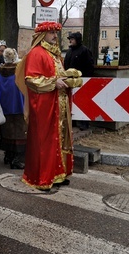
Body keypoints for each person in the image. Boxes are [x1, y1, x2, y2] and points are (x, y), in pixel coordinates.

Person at [16, 21, 83, 192]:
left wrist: (69, 78)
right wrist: (54, 83)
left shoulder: (56, 55)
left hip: (59, 105)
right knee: (44, 141)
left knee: (60, 138)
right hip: (44, 107)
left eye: (56, 32)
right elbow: (31, 80)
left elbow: (58, 75)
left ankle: (57, 174)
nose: (55, 36)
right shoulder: (36, 53)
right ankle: (41, 177)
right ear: (42, 35)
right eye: (51, 32)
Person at [0, 48, 26, 169]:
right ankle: (16, 159)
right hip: (19, 106)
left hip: (5, 107)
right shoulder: (19, 72)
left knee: (6, 131)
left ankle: (7, 156)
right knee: (19, 132)